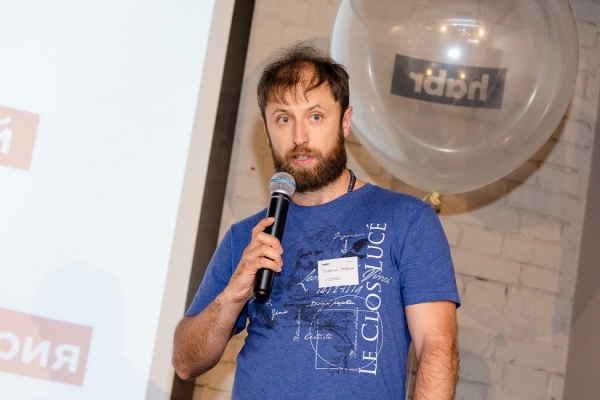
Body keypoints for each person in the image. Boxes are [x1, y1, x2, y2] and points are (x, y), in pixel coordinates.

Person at [172, 42, 460, 399]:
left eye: (315, 116)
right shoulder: (248, 236)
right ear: (266, 129)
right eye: (284, 119)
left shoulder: (407, 220)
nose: (299, 138)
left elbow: (437, 348)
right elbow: (185, 362)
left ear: (345, 122)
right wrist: (232, 296)